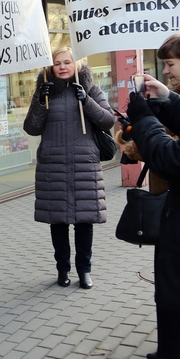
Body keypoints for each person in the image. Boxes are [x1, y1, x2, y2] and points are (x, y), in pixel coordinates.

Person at [119, 31, 180, 359]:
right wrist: (167, 100)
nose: (166, 70)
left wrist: (143, 120)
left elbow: (177, 157)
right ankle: (177, 349)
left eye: (170, 64)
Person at [23, 46, 115, 290]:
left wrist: (86, 100)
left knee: (85, 221)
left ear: (77, 64)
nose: (62, 67)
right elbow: (31, 128)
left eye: (67, 62)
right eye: (57, 63)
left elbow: (108, 120)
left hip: (84, 163)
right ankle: (62, 270)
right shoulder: (44, 92)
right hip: (53, 164)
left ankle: (84, 271)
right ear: (51, 67)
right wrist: (40, 101)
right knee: (58, 221)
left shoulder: (91, 89)